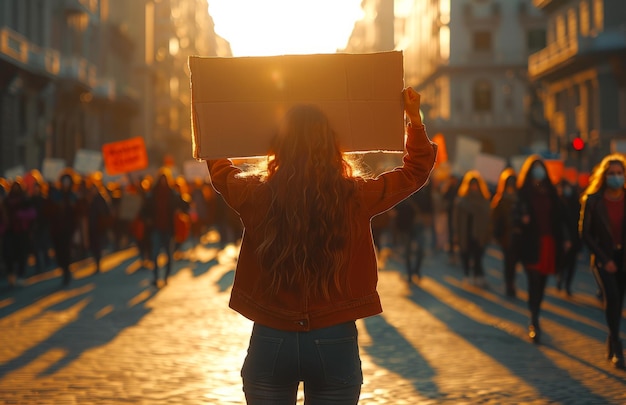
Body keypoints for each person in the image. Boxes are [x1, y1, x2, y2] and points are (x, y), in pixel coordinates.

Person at [206, 87, 436, 404]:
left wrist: (209, 115)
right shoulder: (355, 195)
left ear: (278, 145)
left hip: (271, 336)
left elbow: (220, 170)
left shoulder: (256, 194)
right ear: (332, 145)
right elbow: (415, 171)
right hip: (334, 337)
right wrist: (414, 118)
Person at [513, 155, 570, 344]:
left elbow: (561, 217)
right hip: (531, 242)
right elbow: (514, 216)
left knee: (543, 282)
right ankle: (534, 320)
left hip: (549, 241)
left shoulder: (552, 192)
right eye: (535, 168)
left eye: (541, 168)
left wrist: (566, 238)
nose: (539, 172)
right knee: (533, 281)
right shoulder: (523, 192)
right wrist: (522, 220)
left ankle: (536, 312)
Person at [579, 154, 626, 369]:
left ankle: (612, 336)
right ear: (604, 176)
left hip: (623, 258)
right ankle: (616, 343)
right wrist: (603, 258)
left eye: (619, 173)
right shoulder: (594, 201)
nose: (616, 177)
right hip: (603, 257)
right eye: (612, 173)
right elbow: (585, 233)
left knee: (620, 300)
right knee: (612, 298)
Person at [140, 169, 188, 286]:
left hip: (169, 229)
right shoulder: (152, 194)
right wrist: (148, 220)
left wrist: (179, 209)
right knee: (155, 254)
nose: (162, 182)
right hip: (156, 228)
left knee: (169, 255)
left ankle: (166, 277)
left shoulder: (173, 194)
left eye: (164, 180)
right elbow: (144, 209)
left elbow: (185, 205)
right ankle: (156, 277)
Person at [453, 170, 492, 287]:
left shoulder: (484, 201)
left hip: (479, 234)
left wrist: (488, 233)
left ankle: (477, 275)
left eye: (476, 185)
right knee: (465, 254)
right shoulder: (461, 202)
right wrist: (456, 233)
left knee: (478, 255)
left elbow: (488, 218)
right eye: (472, 184)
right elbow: (456, 219)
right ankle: (467, 275)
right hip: (465, 233)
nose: (474, 187)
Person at [46, 172, 79, 286]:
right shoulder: (56, 195)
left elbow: (78, 214)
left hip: (69, 230)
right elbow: (49, 211)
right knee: (59, 253)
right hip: (57, 230)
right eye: (64, 182)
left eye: (67, 182)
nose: (66, 184)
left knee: (67, 252)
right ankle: (64, 268)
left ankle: (67, 272)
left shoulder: (73, 196)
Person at [3, 180, 37, 287]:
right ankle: (11, 275)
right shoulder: (6, 202)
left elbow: (32, 214)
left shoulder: (25, 201)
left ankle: (20, 275)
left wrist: (20, 215)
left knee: (22, 255)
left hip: (22, 232)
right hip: (9, 232)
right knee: (9, 255)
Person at [491, 168, 519, 297]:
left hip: (517, 235)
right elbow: (495, 218)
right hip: (505, 236)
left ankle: (511, 282)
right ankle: (509, 284)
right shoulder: (501, 199)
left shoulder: (519, 199)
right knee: (508, 261)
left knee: (513, 262)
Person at [557, 179, 582, 296]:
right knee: (563, 262)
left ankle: (567, 285)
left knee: (572, 264)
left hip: (575, 239)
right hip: (562, 240)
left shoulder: (577, 203)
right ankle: (560, 278)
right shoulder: (559, 202)